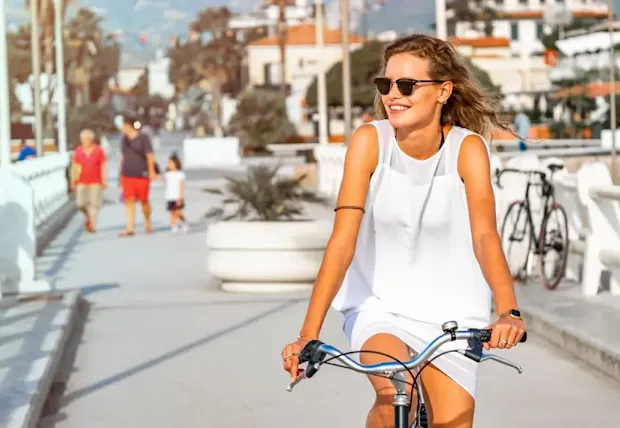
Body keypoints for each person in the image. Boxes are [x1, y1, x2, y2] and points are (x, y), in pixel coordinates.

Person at [281, 34, 526, 428]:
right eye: (386, 84)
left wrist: (508, 310)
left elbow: (485, 236)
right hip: (379, 305)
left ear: (443, 91)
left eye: (408, 85)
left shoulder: (468, 149)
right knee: (396, 391)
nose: (393, 95)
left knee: (453, 422)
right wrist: (307, 334)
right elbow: (342, 241)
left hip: (452, 312)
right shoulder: (370, 142)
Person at [119, 114, 159, 236]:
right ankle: (130, 227)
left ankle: (147, 222)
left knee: (144, 201)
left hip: (142, 173)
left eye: (124, 125)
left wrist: (151, 171)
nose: (122, 128)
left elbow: (149, 155)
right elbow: (122, 156)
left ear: (130, 126)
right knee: (129, 201)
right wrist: (120, 173)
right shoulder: (124, 140)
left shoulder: (143, 138)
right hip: (127, 174)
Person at [70, 129, 107, 233]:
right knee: (80, 204)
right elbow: (75, 167)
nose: (85, 141)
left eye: (87, 139)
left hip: (96, 181)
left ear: (91, 139)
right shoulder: (78, 151)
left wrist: (104, 180)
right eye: (83, 139)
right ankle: (88, 217)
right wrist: (73, 180)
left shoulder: (98, 150)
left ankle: (92, 223)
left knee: (94, 204)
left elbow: (104, 166)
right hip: (81, 181)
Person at [164, 152, 188, 233]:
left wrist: (180, 197)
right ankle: (174, 225)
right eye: (168, 163)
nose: (169, 165)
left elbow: (181, 186)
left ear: (176, 163)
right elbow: (164, 181)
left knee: (178, 212)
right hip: (169, 196)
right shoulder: (168, 174)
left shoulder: (180, 174)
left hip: (177, 196)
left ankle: (184, 222)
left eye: (170, 163)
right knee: (172, 212)